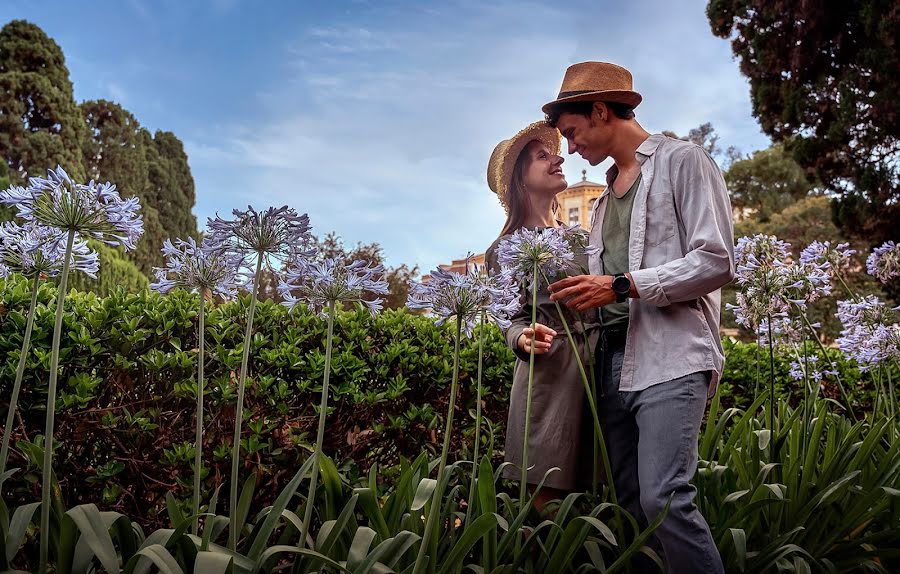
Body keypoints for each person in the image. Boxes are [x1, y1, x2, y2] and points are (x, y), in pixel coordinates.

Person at [544, 61, 733, 573]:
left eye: (573, 132)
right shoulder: (603, 204)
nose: (572, 147)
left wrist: (623, 286)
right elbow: (598, 290)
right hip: (610, 365)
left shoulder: (684, 162)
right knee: (630, 508)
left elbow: (716, 260)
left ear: (602, 110)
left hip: (671, 359)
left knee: (665, 499)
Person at [484, 121, 602, 512]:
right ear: (520, 180)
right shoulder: (504, 249)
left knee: (603, 499)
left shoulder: (584, 240)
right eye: (542, 156)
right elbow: (508, 317)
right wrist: (521, 338)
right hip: (550, 378)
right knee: (548, 505)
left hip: (601, 372)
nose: (559, 157)